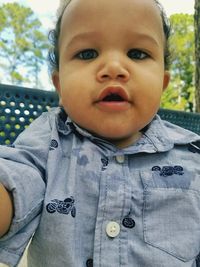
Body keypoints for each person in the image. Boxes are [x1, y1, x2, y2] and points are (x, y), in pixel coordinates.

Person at [0, 0, 200, 266]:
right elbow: (17, 180)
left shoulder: (192, 155)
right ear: (59, 85)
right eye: (87, 54)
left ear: (162, 83)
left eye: (137, 53)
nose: (114, 68)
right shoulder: (48, 141)